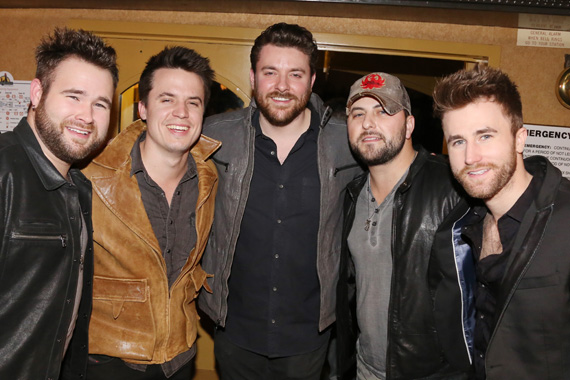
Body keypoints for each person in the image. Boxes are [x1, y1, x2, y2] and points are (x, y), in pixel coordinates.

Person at [199, 22, 361, 380]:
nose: (283, 86)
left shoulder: (346, 142)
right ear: (254, 77)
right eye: (270, 72)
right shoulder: (214, 136)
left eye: (296, 74)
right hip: (234, 328)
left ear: (312, 81)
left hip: (310, 333)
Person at [83, 46, 220, 380]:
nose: (182, 113)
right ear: (143, 108)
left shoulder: (211, 178)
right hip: (107, 360)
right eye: (167, 99)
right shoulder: (90, 176)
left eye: (193, 102)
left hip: (181, 356)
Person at [432, 66, 570, 380]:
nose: (471, 157)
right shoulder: (460, 226)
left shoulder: (565, 219)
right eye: (457, 142)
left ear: (519, 138)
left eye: (485, 136)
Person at [0, 28, 118, 380]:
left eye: (100, 103)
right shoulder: (4, 170)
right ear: (37, 93)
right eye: (74, 96)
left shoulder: (78, 188)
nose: (87, 115)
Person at [336, 72, 470, 380]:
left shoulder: (452, 189)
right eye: (358, 114)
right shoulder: (351, 195)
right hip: (363, 370)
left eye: (383, 112)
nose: (368, 124)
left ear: (409, 124)